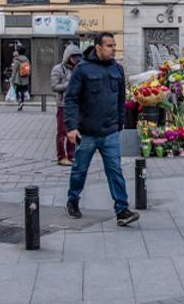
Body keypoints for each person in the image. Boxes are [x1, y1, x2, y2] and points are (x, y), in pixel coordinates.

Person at [64, 32, 139, 227]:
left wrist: (121, 123)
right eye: (109, 45)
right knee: (80, 170)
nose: (113, 48)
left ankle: (122, 209)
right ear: (97, 47)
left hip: (110, 132)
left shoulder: (118, 69)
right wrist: (71, 127)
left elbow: (121, 99)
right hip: (86, 132)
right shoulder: (82, 69)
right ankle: (73, 200)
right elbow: (71, 99)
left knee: (115, 170)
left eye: (114, 45)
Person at [50, 44, 82, 166]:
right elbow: (54, 86)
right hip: (63, 105)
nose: (76, 60)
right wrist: (69, 84)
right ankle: (61, 156)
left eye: (78, 58)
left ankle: (71, 155)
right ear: (68, 57)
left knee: (73, 130)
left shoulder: (78, 68)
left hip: (76, 105)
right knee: (62, 132)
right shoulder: (58, 69)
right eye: (74, 57)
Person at [11, 47, 31, 111]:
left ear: (19, 53)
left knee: (17, 91)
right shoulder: (27, 60)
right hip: (25, 78)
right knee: (22, 91)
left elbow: (14, 71)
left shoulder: (17, 60)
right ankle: (21, 102)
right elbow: (29, 69)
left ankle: (20, 101)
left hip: (18, 79)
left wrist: (12, 79)